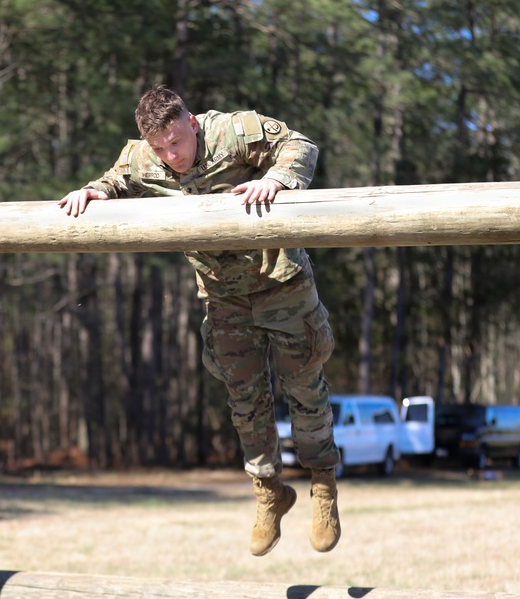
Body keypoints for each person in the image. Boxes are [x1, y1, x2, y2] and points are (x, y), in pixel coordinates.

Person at [58, 86, 340, 556]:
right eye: (161, 148)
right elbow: (113, 179)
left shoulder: (233, 131)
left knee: (305, 389)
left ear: (191, 122)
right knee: (245, 400)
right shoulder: (143, 158)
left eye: (177, 141)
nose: (173, 155)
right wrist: (93, 190)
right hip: (224, 297)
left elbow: (300, 144)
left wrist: (279, 178)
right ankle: (270, 491)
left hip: (281, 282)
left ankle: (323, 485)